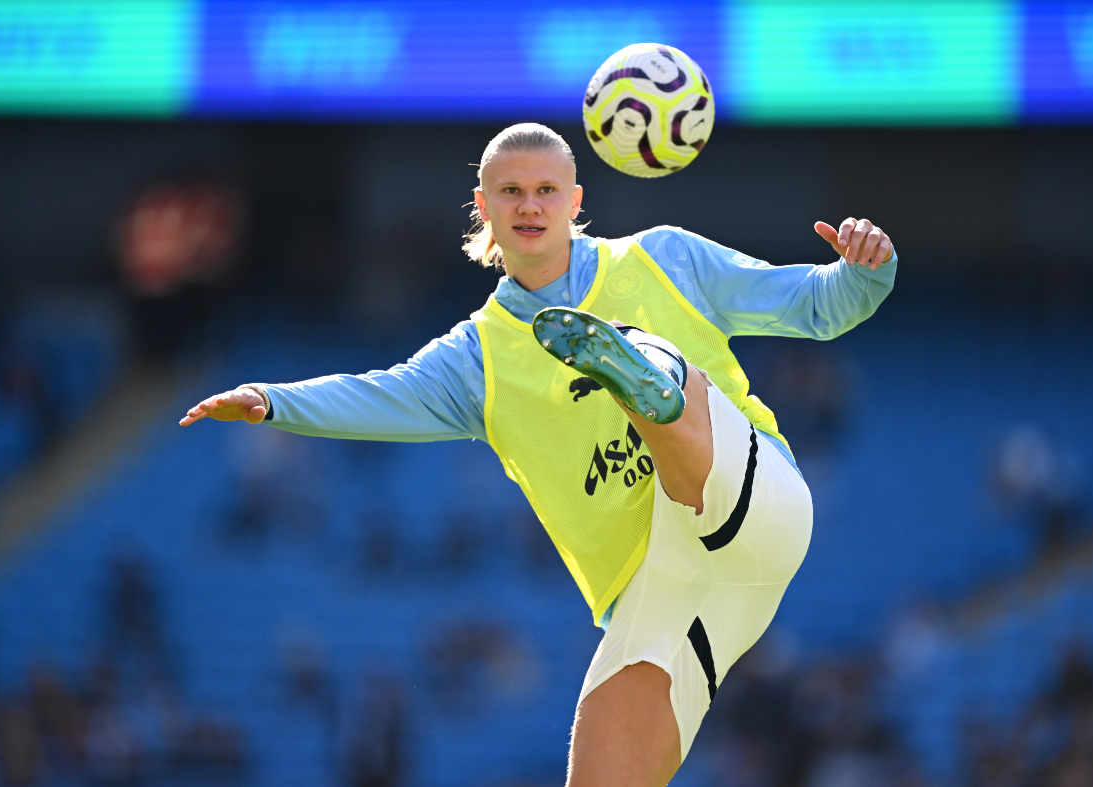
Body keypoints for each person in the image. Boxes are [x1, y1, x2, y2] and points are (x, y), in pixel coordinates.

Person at [180, 123, 897, 786]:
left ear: (576, 200)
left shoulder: (664, 257)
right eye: (512, 191)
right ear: (483, 205)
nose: (530, 204)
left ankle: (649, 379)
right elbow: (376, 394)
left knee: (675, 384)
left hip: (755, 502)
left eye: (547, 189)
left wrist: (867, 269)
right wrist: (271, 401)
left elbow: (817, 304)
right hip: (666, 592)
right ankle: (641, 377)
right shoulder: (476, 360)